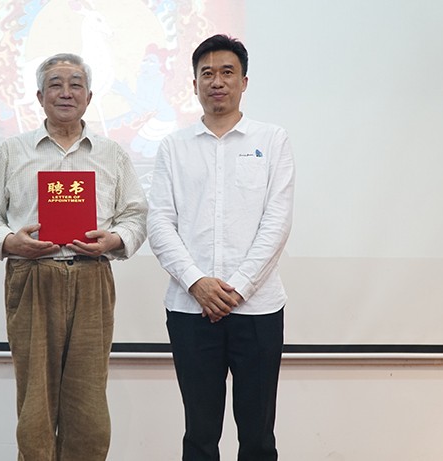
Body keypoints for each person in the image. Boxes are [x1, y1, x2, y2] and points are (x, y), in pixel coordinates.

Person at [0, 53, 148, 461]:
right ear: (39, 96)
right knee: (35, 404)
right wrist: (10, 242)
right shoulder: (12, 152)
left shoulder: (112, 154)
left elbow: (136, 215)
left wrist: (114, 240)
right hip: (33, 277)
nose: (65, 92)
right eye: (55, 84)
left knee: (89, 405)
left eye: (75, 84)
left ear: (89, 96)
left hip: (92, 277)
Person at [147, 34, 295, 460]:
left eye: (227, 72)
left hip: (258, 310)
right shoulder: (174, 146)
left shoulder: (272, 139)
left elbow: (277, 222)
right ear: (194, 84)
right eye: (207, 73)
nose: (217, 81)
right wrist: (197, 283)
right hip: (190, 309)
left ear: (244, 81)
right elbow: (160, 222)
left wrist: (239, 287)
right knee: (199, 434)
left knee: (258, 436)